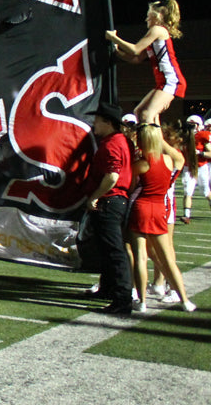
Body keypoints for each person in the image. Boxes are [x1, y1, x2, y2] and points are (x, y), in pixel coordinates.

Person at [127, 123, 196, 312]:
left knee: (140, 255)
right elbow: (179, 161)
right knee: (167, 259)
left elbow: (131, 188)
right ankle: (184, 299)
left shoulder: (140, 163)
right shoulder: (168, 160)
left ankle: (142, 302)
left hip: (141, 208)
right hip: (160, 209)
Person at [81, 101, 134, 315]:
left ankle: (122, 298)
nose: (94, 123)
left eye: (97, 119)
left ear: (107, 122)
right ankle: (108, 289)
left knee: (114, 251)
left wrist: (95, 196)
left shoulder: (113, 143)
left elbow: (113, 175)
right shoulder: (120, 140)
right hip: (115, 200)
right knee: (107, 250)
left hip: (110, 201)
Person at [105, 0, 185, 124]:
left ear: (158, 15)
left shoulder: (157, 30)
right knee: (139, 111)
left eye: (148, 16)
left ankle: (153, 143)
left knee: (147, 114)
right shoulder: (155, 33)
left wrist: (114, 38)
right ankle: (156, 141)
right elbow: (136, 59)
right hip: (163, 81)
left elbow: (135, 50)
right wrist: (116, 51)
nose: (146, 20)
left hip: (171, 80)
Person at [179, 115, 210, 224]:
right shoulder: (183, 137)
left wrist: (200, 153)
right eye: (189, 125)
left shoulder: (202, 135)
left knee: (206, 191)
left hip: (201, 167)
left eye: (193, 125)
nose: (191, 127)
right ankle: (186, 215)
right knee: (188, 191)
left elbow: (210, 153)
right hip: (188, 167)